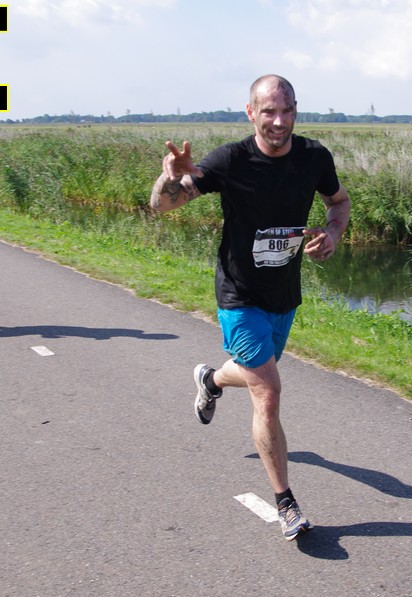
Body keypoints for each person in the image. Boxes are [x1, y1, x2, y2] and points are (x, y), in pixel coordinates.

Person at [150, 75, 351, 541]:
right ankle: (286, 503)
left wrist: (333, 232)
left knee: (258, 371)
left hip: (283, 294)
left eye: (287, 111)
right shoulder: (230, 160)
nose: (279, 121)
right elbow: (162, 205)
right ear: (250, 112)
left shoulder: (314, 157)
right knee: (268, 391)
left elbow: (338, 203)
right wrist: (171, 176)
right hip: (239, 294)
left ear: (296, 110)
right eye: (268, 112)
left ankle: (211, 380)